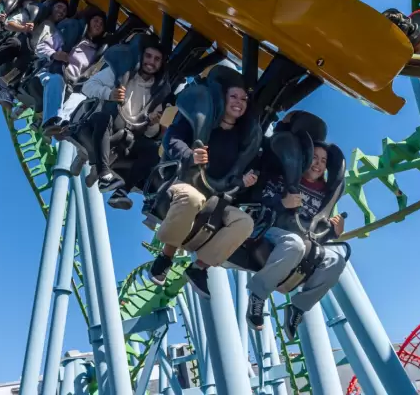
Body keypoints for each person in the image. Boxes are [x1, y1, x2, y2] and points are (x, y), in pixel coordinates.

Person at [148, 68, 261, 298]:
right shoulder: (200, 119)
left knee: (244, 223)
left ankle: (199, 267)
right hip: (181, 183)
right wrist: (190, 155)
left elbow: (240, 171)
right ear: (223, 98)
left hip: (215, 195)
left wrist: (247, 180)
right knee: (192, 198)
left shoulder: (241, 136)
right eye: (234, 97)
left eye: (243, 99)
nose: (239, 103)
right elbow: (172, 139)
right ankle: (166, 257)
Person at [245, 142, 347, 341]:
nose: (318, 164)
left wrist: (335, 232)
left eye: (323, 161)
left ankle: (298, 308)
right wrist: (283, 202)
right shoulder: (284, 178)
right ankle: (258, 295)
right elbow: (260, 198)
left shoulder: (325, 195)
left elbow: (317, 233)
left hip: (303, 241)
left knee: (337, 260)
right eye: (314, 157)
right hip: (271, 230)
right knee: (294, 243)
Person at [55, 35, 170, 206]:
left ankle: (121, 192)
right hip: (99, 123)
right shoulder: (121, 72)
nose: (151, 62)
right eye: (148, 56)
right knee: (106, 114)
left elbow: (150, 133)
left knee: (153, 151)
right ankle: (102, 174)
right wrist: (110, 94)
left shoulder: (157, 91)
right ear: (141, 57)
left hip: (126, 136)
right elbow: (88, 87)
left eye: (157, 59)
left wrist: (153, 124)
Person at [0, 0, 67, 89]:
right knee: (15, 43)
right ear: (51, 7)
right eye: (59, 7)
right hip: (20, 40)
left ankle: (6, 84)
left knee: (29, 59)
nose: (61, 11)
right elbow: (8, 24)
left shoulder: (57, 34)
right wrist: (23, 28)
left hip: (33, 53)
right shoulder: (35, 14)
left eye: (64, 10)